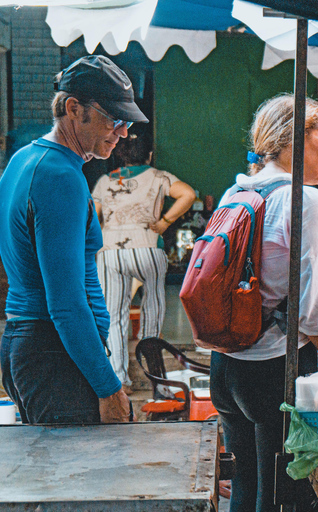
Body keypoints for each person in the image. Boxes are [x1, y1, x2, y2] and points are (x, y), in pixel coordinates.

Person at [209, 94, 318, 512]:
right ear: (295, 141)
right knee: (284, 499)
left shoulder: (236, 190)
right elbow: (315, 309)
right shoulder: (305, 200)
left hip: (226, 369)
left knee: (247, 491)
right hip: (275, 371)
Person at [0, 55, 147, 424]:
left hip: (29, 343)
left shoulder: (23, 160)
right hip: (54, 352)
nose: (123, 132)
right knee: (77, 478)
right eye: (114, 119)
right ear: (73, 108)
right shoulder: (59, 176)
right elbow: (65, 302)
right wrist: (107, 387)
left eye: (126, 122)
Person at [92, 132, 196, 393]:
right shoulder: (159, 177)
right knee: (152, 311)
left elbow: (93, 219)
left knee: (114, 317)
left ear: (119, 154)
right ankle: (158, 383)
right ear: (149, 155)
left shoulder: (106, 181)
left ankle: (120, 382)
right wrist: (164, 222)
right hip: (147, 247)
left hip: (110, 251)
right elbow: (188, 195)